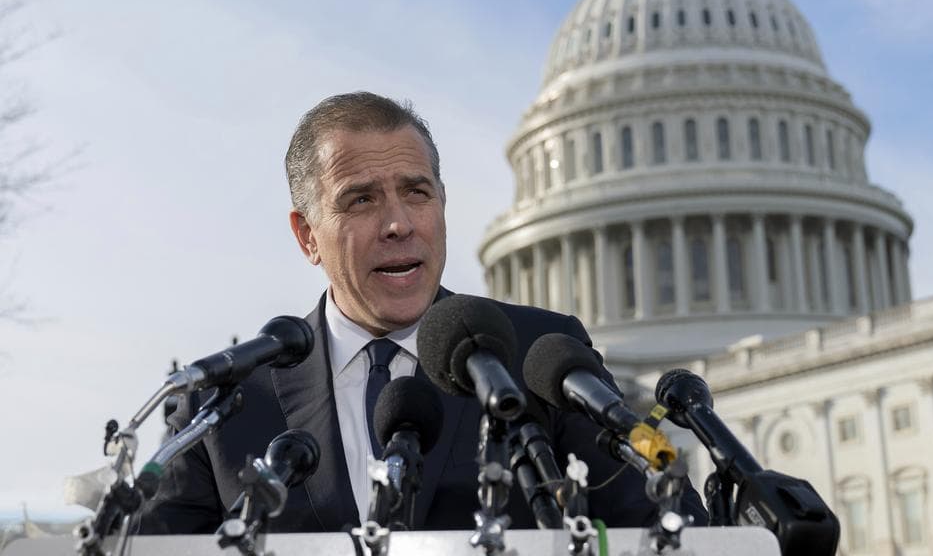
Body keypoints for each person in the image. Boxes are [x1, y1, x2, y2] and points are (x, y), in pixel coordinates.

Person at [138, 92, 706, 533]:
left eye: (417, 192)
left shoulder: (538, 356)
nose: (399, 224)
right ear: (307, 235)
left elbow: (669, 522)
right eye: (361, 199)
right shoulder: (227, 405)